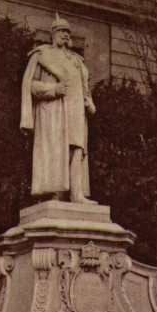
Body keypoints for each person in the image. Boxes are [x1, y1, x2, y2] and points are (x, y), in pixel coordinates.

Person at [20, 14, 97, 204]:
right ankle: (53, 193)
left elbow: (84, 86)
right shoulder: (42, 56)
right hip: (54, 112)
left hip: (76, 110)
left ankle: (76, 194)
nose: (66, 35)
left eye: (68, 32)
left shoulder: (77, 61)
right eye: (62, 31)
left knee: (77, 149)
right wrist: (53, 89)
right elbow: (31, 85)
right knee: (57, 149)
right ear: (53, 34)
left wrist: (89, 102)